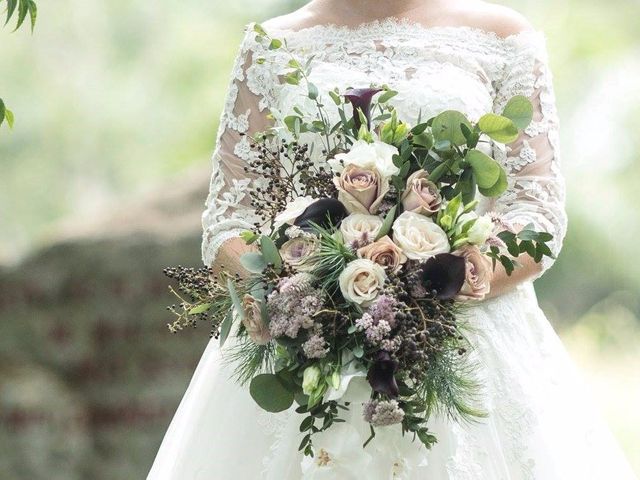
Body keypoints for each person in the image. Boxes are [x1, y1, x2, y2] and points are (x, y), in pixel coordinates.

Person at [148, 1, 638, 478]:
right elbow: (230, 218)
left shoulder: (503, 37)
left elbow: (536, 209)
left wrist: (454, 273)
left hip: (458, 337)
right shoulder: (271, 44)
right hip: (303, 340)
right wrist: (298, 290)